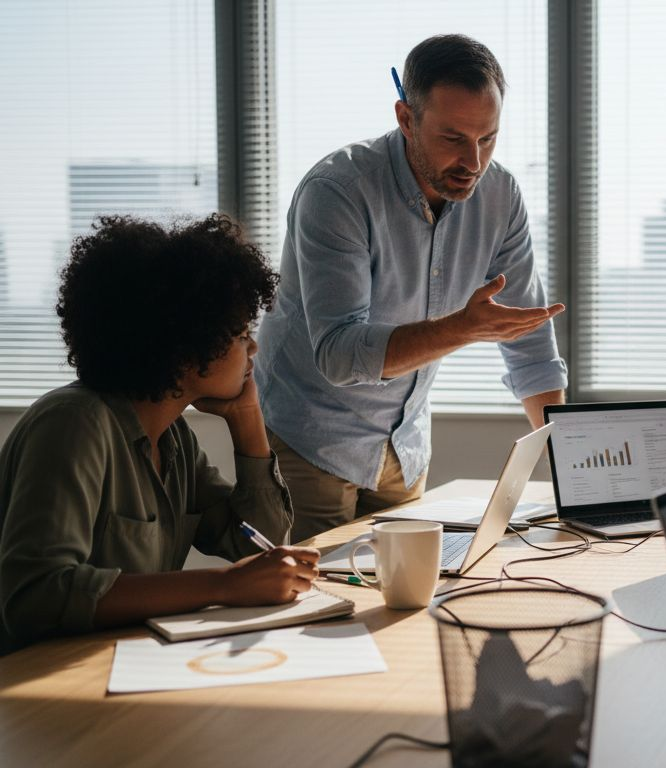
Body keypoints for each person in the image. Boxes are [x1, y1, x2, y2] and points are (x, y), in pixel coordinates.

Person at [255, 34, 567, 543]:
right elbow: (339, 355)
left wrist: (571, 465)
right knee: (320, 606)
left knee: (404, 606)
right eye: (452, 138)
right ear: (406, 118)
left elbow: (528, 342)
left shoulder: (500, 196)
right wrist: (464, 329)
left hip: (404, 443)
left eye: (487, 138)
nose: (474, 160)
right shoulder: (336, 193)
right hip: (311, 439)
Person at [0, 215, 319, 655]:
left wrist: (247, 420)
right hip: (35, 683)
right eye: (242, 333)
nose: (254, 347)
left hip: (117, 662)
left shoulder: (174, 440)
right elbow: (38, 595)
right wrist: (223, 585)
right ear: (187, 346)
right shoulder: (73, 424)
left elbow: (257, 539)